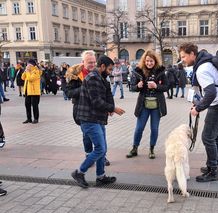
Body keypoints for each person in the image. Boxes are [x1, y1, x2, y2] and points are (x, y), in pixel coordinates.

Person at [179, 42, 218, 182]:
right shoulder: (205, 62)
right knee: (217, 136)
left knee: (208, 137)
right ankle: (217, 165)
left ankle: (213, 171)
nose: (182, 60)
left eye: (184, 56)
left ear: (192, 54)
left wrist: (198, 108)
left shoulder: (202, 68)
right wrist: (199, 102)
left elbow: (211, 92)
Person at [71, 56, 125, 188]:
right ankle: (79, 172)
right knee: (100, 148)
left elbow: (106, 95)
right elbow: (96, 101)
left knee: (102, 149)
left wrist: (110, 106)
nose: (110, 72)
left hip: (97, 119)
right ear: (102, 67)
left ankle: (100, 177)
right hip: (89, 119)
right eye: (109, 69)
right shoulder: (93, 78)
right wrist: (113, 108)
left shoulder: (100, 78)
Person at [65, 50, 111, 167]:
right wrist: (85, 88)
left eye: (94, 62)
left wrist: (109, 106)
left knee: (101, 133)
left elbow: (106, 90)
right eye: (89, 62)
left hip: (97, 109)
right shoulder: (75, 75)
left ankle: (102, 156)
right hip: (82, 109)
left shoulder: (99, 73)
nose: (92, 64)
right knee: (87, 135)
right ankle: (89, 154)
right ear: (83, 62)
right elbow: (68, 92)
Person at [126, 50, 168, 159]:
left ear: (155, 61)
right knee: (139, 128)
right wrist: (138, 86)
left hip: (157, 105)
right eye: (147, 61)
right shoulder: (139, 71)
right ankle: (135, 148)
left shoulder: (161, 71)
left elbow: (167, 86)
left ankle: (152, 149)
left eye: (151, 61)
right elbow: (132, 87)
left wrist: (156, 86)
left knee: (154, 129)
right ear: (144, 61)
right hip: (143, 105)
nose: (149, 63)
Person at [21, 59, 42, 124]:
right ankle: (29, 118)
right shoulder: (28, 71)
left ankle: (36, 118)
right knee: (27, 105)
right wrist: (25, 71)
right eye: (27, 64)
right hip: (27, 91)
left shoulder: (36, 71)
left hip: (34, 92)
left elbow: (30, 79)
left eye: (28, 64)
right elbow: (23, 78)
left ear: (32, 65)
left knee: (34, 105)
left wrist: (27, 71)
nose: (27, 66)